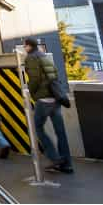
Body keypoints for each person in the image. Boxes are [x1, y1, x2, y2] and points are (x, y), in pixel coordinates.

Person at [23, 38, 73, 174]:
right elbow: (54, 76)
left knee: (38, 128)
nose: (24, 48)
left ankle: (54, 157)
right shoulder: (44, 56)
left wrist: (33, 94)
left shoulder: (31, 58)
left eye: (25, 46)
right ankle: (67, 164)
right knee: (60, 132)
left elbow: (34, 79)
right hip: (55, 99)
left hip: (44, 100)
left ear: (29, 46)